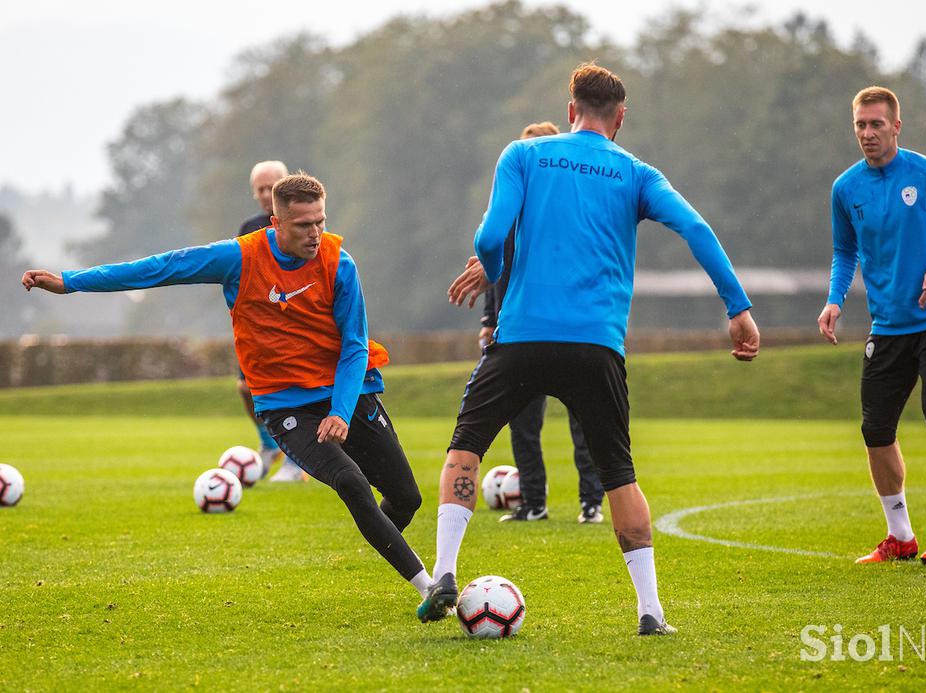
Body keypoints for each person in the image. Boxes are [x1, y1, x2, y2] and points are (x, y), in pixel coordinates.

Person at [418, 63, 759, 635]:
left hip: (520, 338)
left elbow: (488, 237)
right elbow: (698, 229)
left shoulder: (522, 155)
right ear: (620, 117)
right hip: (595, 345)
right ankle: (650, 610)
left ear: (570, 107)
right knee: (619, 474)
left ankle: (447, 571)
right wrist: (737, 307)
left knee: (466, 447)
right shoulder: (637, 173)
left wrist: (496, 266)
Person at [22, 173, 431, 598]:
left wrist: (340, 412)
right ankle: (428, 587)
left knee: (406, 499)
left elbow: (354, 346)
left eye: (320, 222)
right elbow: (161, 268)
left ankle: (381, 539)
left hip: (347, 394)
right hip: (285, 403)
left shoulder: (340, 264)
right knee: (351, 482)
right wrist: (71, 282)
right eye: (303, 225)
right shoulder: (238, 258)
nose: (315, 234)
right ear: (274, 223)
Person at [818, 86, 926, 567]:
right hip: (887, 325)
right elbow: (844, 251)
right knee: (875, 430)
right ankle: (901, 537)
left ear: (896, 125)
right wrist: (834, 300)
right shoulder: (845, 188)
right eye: (860, 125)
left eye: (876, 124)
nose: (867, 133)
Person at [479, 121, 605, 524]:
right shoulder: (508, 208)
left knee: (585, 421)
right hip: (517, 330)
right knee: (523, 424)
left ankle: (592, 503)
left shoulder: (565, 215)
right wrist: (488, 319)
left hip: (568, 329)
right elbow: (492, 264)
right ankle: (533, 503)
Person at [235, 160, 304, 480]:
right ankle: (269, 445)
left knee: (290, 391)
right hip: (256, 326)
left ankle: (295, 459)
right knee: (245, 387)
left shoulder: (302, 222)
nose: (265, 194)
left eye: (270, 188)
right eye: (259, 190)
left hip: (292, 326)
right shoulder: (249, 227)